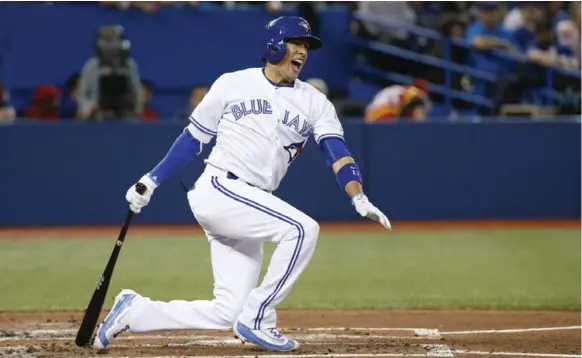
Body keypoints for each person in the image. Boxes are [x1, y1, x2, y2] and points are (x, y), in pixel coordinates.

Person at [92, 16, 391, 352]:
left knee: (228, 311)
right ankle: (261, 318)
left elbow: (336, 152)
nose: (303, 51)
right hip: (220, 187)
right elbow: (193, 138)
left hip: (249, 202)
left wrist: (358, 195)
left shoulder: (315, 103)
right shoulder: (232, 84)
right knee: (303, 230)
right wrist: (151, 179)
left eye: (307, 46)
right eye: (296, 43)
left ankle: (136, 311)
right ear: (274, 44)